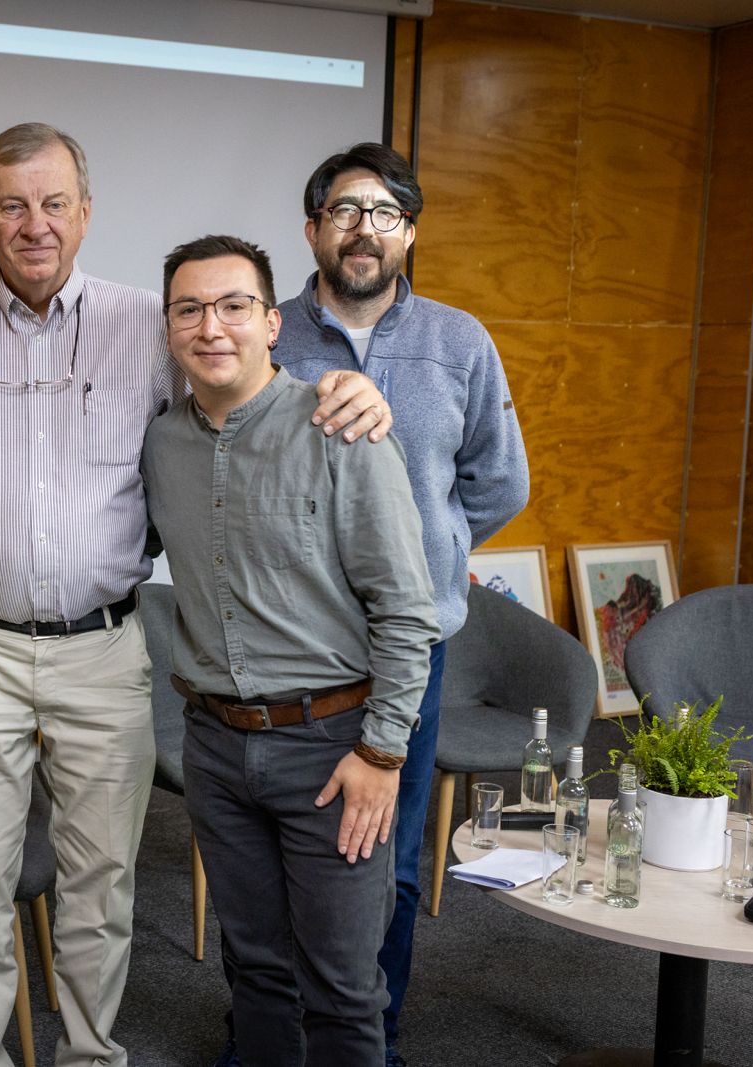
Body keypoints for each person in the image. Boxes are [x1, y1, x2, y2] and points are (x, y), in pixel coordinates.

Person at [0, 122, 392, 1067]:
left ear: (86, 214)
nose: (34, 224)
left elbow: (249, 385)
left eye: (55, 203)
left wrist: (351, 389)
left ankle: (93, 1053)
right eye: (12, 205)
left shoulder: (153, 321)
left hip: (103, 644)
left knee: (104, 880)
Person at [143, 234, 440, 1067]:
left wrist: (382, 751)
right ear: (169, 330)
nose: (213, 326)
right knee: (258, 973)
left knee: (344, 984)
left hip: (332, 750)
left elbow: (407, 611)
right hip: (216, 746)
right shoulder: (162, 445)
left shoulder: (342, 427)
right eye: (190, 309)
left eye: (235, 305)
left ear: (273, 322)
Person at [272, 143, 529, 1067]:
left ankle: (370, 1035)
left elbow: (498, 482)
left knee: (389, 858)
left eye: (384, 213)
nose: (364, 229)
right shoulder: (269, 335)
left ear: (410, 231)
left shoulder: (460, 341)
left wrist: (434, 547)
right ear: (313, 229)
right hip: (292, 649)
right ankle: (268, 1031)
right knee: (283, 863)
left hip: (407, 653)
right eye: (344, 210)